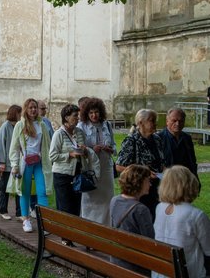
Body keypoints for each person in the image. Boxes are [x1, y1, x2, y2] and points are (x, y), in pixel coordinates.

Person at [49, 104, 100, 245]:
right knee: (65, 207)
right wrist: (69, 154)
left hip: (78, 175)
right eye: (75, 116)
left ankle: (72, 235)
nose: (77, 119)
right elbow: (52, 156)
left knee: (76, 207)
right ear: (66, 117)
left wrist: (84, 150)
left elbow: (84, 151)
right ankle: (65, 238)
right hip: (62, 175)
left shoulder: (79, 132)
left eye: (77, 116)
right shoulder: (58, 134)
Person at [153, 166, 210, 278]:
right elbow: (208, 249)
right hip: (188, 274)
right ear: (190, 185)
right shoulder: (196, 215)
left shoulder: (159, 208)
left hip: (160, 273)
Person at [9, 98, 52, 232]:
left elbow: (47, 144)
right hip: (25, 162)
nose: (33, 110)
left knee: (42, 191)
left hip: (39, 162)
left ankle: (43, 221)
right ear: (26, 109)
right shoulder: (20, 125)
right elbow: (14, 147)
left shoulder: (42, 125)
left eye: (35, 107)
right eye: (30, 108)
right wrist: (15, 165)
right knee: (25, 191)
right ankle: (26, 219)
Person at [116, 109, 164, 220]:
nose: (155, 123)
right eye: (152, 121)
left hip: (158, 186)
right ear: (140, 123)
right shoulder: (131, 141)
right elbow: (118, 166)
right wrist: (143, 172)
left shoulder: (157, 139)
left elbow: (161, 161)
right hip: (139, 188)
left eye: (155, 120)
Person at [77, 97, 116, 225]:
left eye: (96, 112)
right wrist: (92, 149)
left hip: (106, 167)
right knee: (90, 197)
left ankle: (106, 226)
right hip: (91, 168)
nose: (94, 115)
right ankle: (89, 225)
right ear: (87, 113)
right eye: (91, 113)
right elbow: (79, 147)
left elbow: (114, 146)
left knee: (107, 197)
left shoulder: (107, 125)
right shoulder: (81, 126)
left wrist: (110, 149)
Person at [110, 164, 154, 275]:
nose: (150, 184)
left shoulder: (115, 200)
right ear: (139, 183)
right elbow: (151, 243)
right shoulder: (141, 210)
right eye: (148, 181)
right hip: (135, 265)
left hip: (117, 259)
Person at [0, 105, 22, 220]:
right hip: (6, 164)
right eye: (19, 113)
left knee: (18, 188)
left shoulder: (19, 126)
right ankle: (3, 210)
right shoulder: (5, 127)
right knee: (4, 188)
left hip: (17, 162)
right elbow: (1, 145)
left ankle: (19, 212)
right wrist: (1, 163)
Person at [157, 108, 198, 179]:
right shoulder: (158, 138)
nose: (177, 124)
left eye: (181, 121)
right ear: (167, 121)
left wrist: (195, 178)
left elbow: (192, 162)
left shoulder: (187, 138)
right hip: (167, 182)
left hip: (185, 180)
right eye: (174, 120)